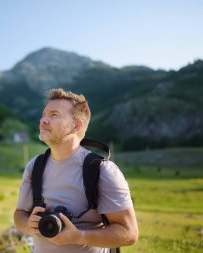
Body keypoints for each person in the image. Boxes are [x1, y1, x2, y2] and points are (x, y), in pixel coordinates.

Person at [14, 88, 138, 253]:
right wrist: (28, 225)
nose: (43, 120)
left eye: (54, 115)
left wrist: (80, 236)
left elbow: (129, 233)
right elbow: (19, 214)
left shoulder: (101, 171)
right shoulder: (35, 166)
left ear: (76, 125)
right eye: (44, 114)